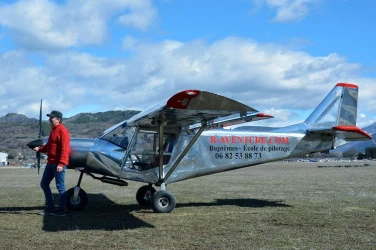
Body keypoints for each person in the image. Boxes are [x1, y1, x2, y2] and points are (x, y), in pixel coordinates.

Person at [33, 110, 70, 216]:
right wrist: (40, 149)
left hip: (58, 164)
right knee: (44, 184)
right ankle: (50, 208)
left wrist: (61, 163)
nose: (49, 120)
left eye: (51, 118)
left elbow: (65, 148)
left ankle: (62, 211)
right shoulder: (53, 130)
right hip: (51, 163)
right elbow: (49, 146)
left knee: (60, 187)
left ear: (58, 120)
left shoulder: (62, 131)